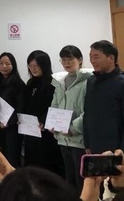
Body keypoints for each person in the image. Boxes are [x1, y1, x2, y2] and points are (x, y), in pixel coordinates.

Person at [83, 40, 124, 163]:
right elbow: (87, 113)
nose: (92, 61)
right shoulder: (91, 81)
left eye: (96, 57)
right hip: (94, 146)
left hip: (116, 148)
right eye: (90, 57)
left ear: (111, 58)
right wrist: (87, 142)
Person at [51, 45, 92, 191]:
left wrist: (73, 128)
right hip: (63, 138)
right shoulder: (59, 81)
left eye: (70, 59)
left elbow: (89, 111)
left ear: (80, 60)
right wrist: (52, 123)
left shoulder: (88, 81)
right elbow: (55, 105)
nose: (66, 63)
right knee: (69, 179)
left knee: (82, 180)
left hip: (79, 139)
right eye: (63, 60)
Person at [22, 50, 64, 177]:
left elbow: (56, 106)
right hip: (31, 130)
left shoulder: (53, 83)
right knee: (32, 164)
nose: (33, 69)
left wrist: (44, 120)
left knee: (47, 165)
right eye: (30, 66)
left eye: (36, 66)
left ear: (44, 65)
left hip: (47, 131)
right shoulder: (30, 83)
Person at [0, 52, 25, 168]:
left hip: (13, 127)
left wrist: (9, 122)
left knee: (12, 156)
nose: (4, 66)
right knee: (0, 156)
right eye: (1, 63)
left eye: (7, 64)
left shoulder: (19, 84)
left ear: (13, 65)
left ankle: (14, 179)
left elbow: (21, 107)